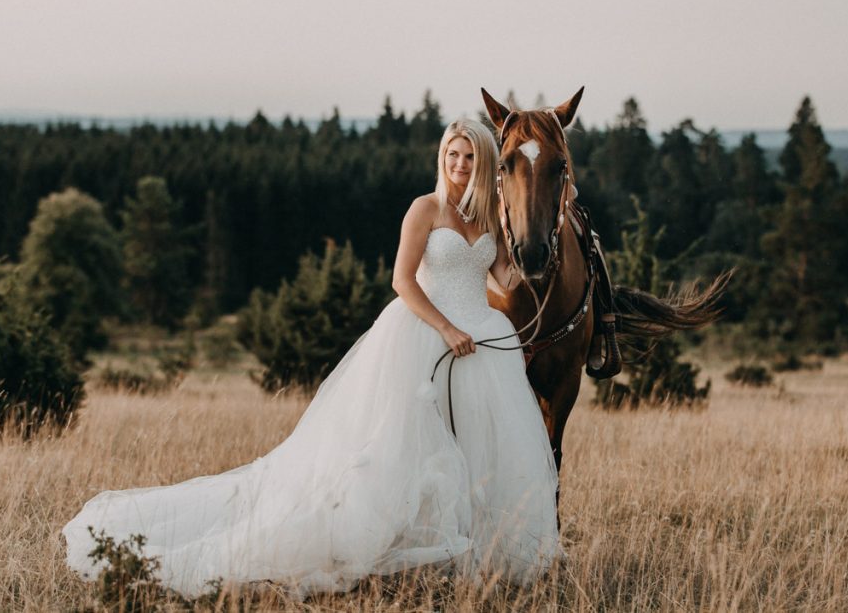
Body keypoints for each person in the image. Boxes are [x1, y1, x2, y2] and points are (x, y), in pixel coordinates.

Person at [62, 118, 560, 599]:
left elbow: (504, 279)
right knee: (401, 448)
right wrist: (446, 328)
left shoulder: (488, 217)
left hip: (480, 340)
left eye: (470, 156)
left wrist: (539, 245)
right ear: (442, 158)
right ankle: (395, 541)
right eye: (453, 154)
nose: (460, 162)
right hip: (426, 337)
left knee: (479, 447)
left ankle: (474, 553)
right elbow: (402, 282)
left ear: (485, 161)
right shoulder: (424, 210)